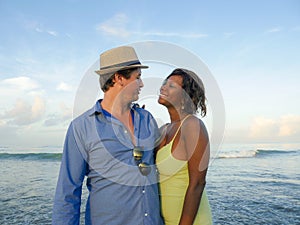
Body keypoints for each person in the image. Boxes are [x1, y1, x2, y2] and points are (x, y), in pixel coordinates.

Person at [52, 46, 164, 225]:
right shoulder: (81, 128)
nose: (142, 84)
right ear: (119, 78)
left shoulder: (147, 119)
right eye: (138, 78)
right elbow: (67, 194)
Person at [156, 68, 212, 225]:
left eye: (171, 86)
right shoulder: (163, 130)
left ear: (185, 96)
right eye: (164, 83)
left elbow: (198, 183)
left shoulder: (192, 125)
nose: (163, 87)